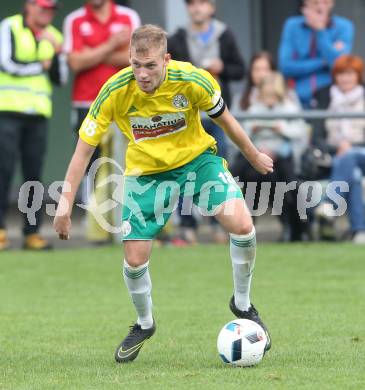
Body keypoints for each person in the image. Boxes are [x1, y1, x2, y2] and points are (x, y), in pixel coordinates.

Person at [53, 24, 273, 363]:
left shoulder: (193, 80)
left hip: (197, 162)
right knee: (135, 258)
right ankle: (144, 324)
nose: (142, 73)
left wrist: (254, 155)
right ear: (129, 59)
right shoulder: (114, 90)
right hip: (146, 174)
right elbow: (83, 151)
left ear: (166, 59)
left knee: (242, 225)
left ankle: (242, 303)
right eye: (136, 64)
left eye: (150, 65)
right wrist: (65, 205)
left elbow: (226, 120)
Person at [63, 0, 140, 243]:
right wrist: (111, 46)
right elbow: (75, 62)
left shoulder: (129, 16)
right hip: (87, 104)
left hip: (126, 106)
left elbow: (136, 60)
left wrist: (93, 54)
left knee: (133, 163)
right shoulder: (74, 20)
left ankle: (130, 221)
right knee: (90, 165)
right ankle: (95, 228)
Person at [168, 0, 245, 243]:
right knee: (182, 170)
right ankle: (188, 225)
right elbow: (169, 74)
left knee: (217, 169)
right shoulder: (178, 38)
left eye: (201, 3)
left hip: (216, 114)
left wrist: (223, 67)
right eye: (191, 4)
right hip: (187, 116)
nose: (196, 8)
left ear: (211, 7)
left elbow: (240, 69)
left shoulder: (225, 34)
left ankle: (217, 224)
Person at [0, 0, 67, 251]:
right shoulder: (10, 27)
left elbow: (60, 78)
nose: (47, 13)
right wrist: (40, 65)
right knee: (3, 170)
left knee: (33, 174)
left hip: (38, 115)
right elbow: (7, 63)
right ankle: (1, 230)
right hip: (7, 110)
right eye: (42, 7)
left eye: (50, 9)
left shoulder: (55, 36)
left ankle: (32, 233)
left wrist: (58, 52)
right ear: (29, 7)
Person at [232, 72, 309, 241]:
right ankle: (247, 230)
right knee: (257, 179)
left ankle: (297, 228)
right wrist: (255, 135)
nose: (269, 99)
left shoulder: (289, 108)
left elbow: (300, 132)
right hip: (258, 156)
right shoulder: (253, 109)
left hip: (283, 157)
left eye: (273, 95)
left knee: (290, 185)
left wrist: (282, 130)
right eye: (266, 95)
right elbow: (243, 134)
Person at [312, 55, 365, 243]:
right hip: (335, 156)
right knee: (355, 176)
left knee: (350, 156)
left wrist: (351, 146)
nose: (345, 78)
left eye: (350, 74)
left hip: (362, 151)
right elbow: (316, 136)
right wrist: (337, 148)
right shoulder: (324, 96)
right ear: (335, 76)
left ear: (358, 76)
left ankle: (330, 204)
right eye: (341, 74)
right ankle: (360, 232)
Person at [278, 0, 354, 108]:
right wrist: (323, 61)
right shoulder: (292, 25)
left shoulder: (344, 26)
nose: (320, 7)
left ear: (332, 3)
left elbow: (339, 66)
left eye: (325, 2)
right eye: (315, 2)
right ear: (305, 4)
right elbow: (286, 66)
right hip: (295, 98)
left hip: (331, 101)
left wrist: (321, 31)